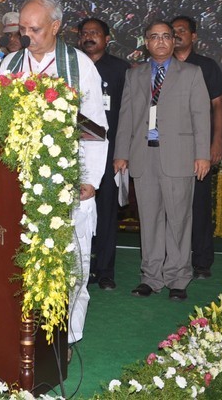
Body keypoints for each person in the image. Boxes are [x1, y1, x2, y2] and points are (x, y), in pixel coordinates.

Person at [0, 0, 108, 345]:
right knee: (19, 257)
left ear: (57, 27)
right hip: (18, 180)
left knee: (72, 261)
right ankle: (21, 329)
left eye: (36, 29)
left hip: (67, 179)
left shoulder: (78, 66)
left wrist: (90, 179)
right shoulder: (9, 64)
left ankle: (69, 334)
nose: (27, 36)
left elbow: (94, 128)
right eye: (23, 29)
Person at [114, 21, 210, 302]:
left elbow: (202, 116)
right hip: (144, 155)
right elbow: (127, 116)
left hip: (179, 154)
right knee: (150, 219)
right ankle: (151, 277)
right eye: (154, 37)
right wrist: (121, 153)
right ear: (146, 42)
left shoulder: (192, 73)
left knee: (179, 219)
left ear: (174, 40)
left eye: (166, 36)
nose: (160, 42)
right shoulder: (135, 75)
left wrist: (202, 154)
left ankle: (178, 278)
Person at [172, 15, 222, 279]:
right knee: (169, 204)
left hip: (198, 148)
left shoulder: (206, 66)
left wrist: (215, 142)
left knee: (199, 204)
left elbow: (217, 105)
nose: (177, 35)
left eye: (182, 31)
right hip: (168, 146)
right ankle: (171, 259)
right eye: (173, 31)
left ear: (194, 36)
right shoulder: (162, 66)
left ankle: (202, 261)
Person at [77, 17, 130, 290]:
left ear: (107, 38)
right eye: (84, 33)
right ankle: (80, 270)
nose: (89, 37)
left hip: (109, 154)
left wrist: (122, 152)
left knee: (106, 213)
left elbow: (129, 114)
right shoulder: (72, 66)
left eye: (95, 33)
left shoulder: (120, 69)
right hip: (76, 153)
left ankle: (105, 270)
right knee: (79, 212)